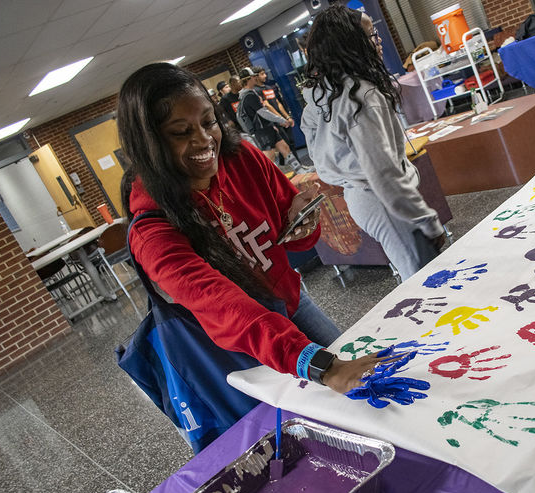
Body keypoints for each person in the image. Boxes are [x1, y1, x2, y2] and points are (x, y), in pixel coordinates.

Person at [116, 62, 387, 398]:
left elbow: (295, 236)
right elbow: (225, 307)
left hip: (291, 300)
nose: (203, 140)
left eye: (208, 122)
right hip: (240, 345)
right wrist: (323, 367)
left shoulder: (241, 157)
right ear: (148, 144)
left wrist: (303, 224)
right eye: (181, 132)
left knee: (365, 384)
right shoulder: (153, 229)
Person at [301, 5, 446, 282]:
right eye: (370, 35)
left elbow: (317, 156)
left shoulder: (320, 96)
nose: (377, 40)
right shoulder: (361, 96)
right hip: (385, 201)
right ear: (351, 44)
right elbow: (384, 174)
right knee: (426, 279)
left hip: (359, 198)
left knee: (414, 273)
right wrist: (427, 220)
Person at [237, 67, 305, 173]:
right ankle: (274, 181)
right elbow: (264, 113)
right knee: (269, 158)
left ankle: (300, 171)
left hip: (267, 128)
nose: (255, 79)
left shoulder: (251, 93)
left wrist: (273, 125)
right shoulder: (249, 96)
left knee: (285, 148)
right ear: (248, 79)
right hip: (262, 131)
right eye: (253, 77)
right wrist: (281, 120)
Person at [253, 66, 295, 147]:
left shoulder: (268, 87)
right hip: (274, 121)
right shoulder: (256, 91)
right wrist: (280, 119)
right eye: (262, 74)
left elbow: (278, 103)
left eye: (264, 73)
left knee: (291, 142)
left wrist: (287, 117)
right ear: (256, 76)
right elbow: (268, 106)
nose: (265, 76)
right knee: (285, 145)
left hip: (282, 119)